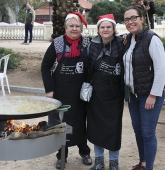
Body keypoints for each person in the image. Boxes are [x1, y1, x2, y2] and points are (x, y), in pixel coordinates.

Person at [41, 12, 92, 169]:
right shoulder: (57, 43)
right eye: (71, 26)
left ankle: (84, 151)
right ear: (65, 27)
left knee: (80, 124)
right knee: (61, 125)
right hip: (60, 92)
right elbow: (45, 66)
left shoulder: (88, 42)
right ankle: (61, 156)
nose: (75, 29)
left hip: (80, 93)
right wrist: (49, 90)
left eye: (77, 26)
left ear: (81, 27)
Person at [123, 6, 165, 170]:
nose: (130, 22)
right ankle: (143, 163)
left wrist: (153, 95)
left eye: (133, 18)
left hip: (149, 95)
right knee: (138, 131)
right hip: (134, 95)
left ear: (142, 18)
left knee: (148, 133)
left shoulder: (151, 39)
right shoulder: (129, 39)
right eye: (127, 19)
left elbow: (161, 69)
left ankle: (149, 167)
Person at [86, 14, 125, 170]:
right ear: (98, 29)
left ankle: (114, 162)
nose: (106, 29)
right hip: (96, 93)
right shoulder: (92, 44)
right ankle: (99, 161)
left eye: (109, 27)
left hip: (115, 93)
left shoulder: (122, 43)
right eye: (102, 27)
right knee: (97, 128)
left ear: (114, 28)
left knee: (114, 128)